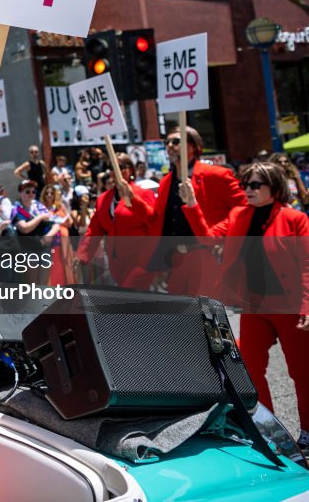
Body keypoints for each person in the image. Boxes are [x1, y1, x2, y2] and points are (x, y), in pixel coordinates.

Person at [180, 161, 309, 450]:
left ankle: (308, 432)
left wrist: (307, 306)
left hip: (290, 307)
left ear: (274, 188)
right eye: (245, 184)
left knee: (302, 372)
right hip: (254, 304)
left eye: (254, 185)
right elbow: (206, 237)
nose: (247, 190)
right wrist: (192, 205)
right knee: (250, 368)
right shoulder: (238, 215)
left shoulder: (295, 218)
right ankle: (268, 430)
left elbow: (306, 266)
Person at [150, 125, 246, 296]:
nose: (170, 145)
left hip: (206, 255)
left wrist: (219, 235)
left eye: (176, 141)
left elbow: (243, 209)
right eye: (167, 142)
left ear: (194, 146)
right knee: (180, 320)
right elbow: (159, 221)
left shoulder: (217, 175)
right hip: (175, 260)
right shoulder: (165, 182)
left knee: (208, 318)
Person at [76, 154, 157, 290]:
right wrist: (82, 254)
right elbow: (94, 230)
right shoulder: (103, 199)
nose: (116, 171)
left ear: (130, 170)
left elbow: (155, 224)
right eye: (112, 168)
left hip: (141, 260)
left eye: (120, 167)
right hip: (116, 262)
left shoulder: (143, 194)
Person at [11, 180, 54, 285]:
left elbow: (55, 223)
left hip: (44, 248)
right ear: (20, 193)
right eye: (27, 191)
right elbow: (25, 228)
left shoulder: (39, 206)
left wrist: (49, 235)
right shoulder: (16, 209)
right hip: (28, 249)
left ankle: (44, 301)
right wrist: (40, 217)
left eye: (33, 192)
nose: (31, 194)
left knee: (44, 283)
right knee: (32, 284)